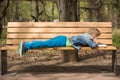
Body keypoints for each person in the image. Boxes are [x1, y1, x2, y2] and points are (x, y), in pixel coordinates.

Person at [16, 28, 101, 57]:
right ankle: (26, 45)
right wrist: (96, 42)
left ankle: (26, 45)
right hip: (62, 41)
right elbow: (93, 46)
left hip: (62, 39)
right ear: (93, 35)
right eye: (96, 36)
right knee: (45, 44)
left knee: (45, 43)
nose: (96, 38)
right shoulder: (88, 37)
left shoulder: (85, 35)